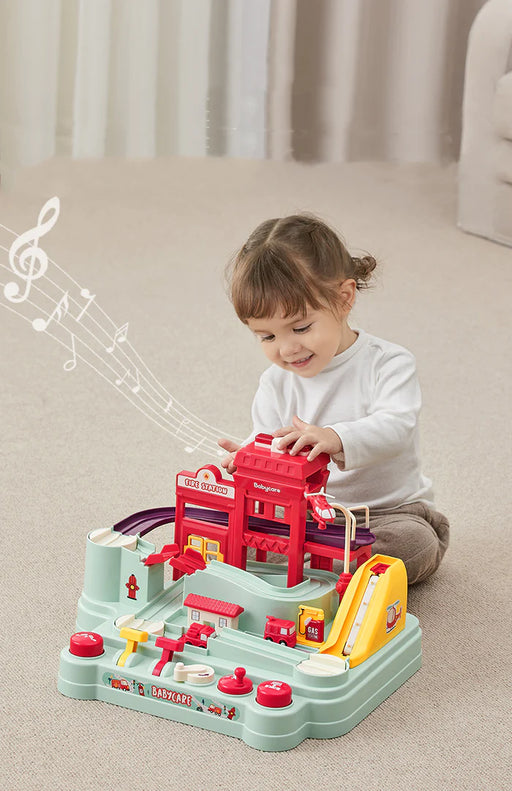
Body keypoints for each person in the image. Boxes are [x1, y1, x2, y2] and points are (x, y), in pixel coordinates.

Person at [218, 214, 449, 585]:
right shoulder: (275, 382)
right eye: (267, 337)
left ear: (344, 298)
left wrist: (335, 437)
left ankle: (311, 568)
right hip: (308, 515)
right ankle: (319, 566)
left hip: (389, 513)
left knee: (415, 544)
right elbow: (271, 441)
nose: (287, 349)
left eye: (300, 327)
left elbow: (397, 428)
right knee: (235, 527)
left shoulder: (388, 363)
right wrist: (248, 457)